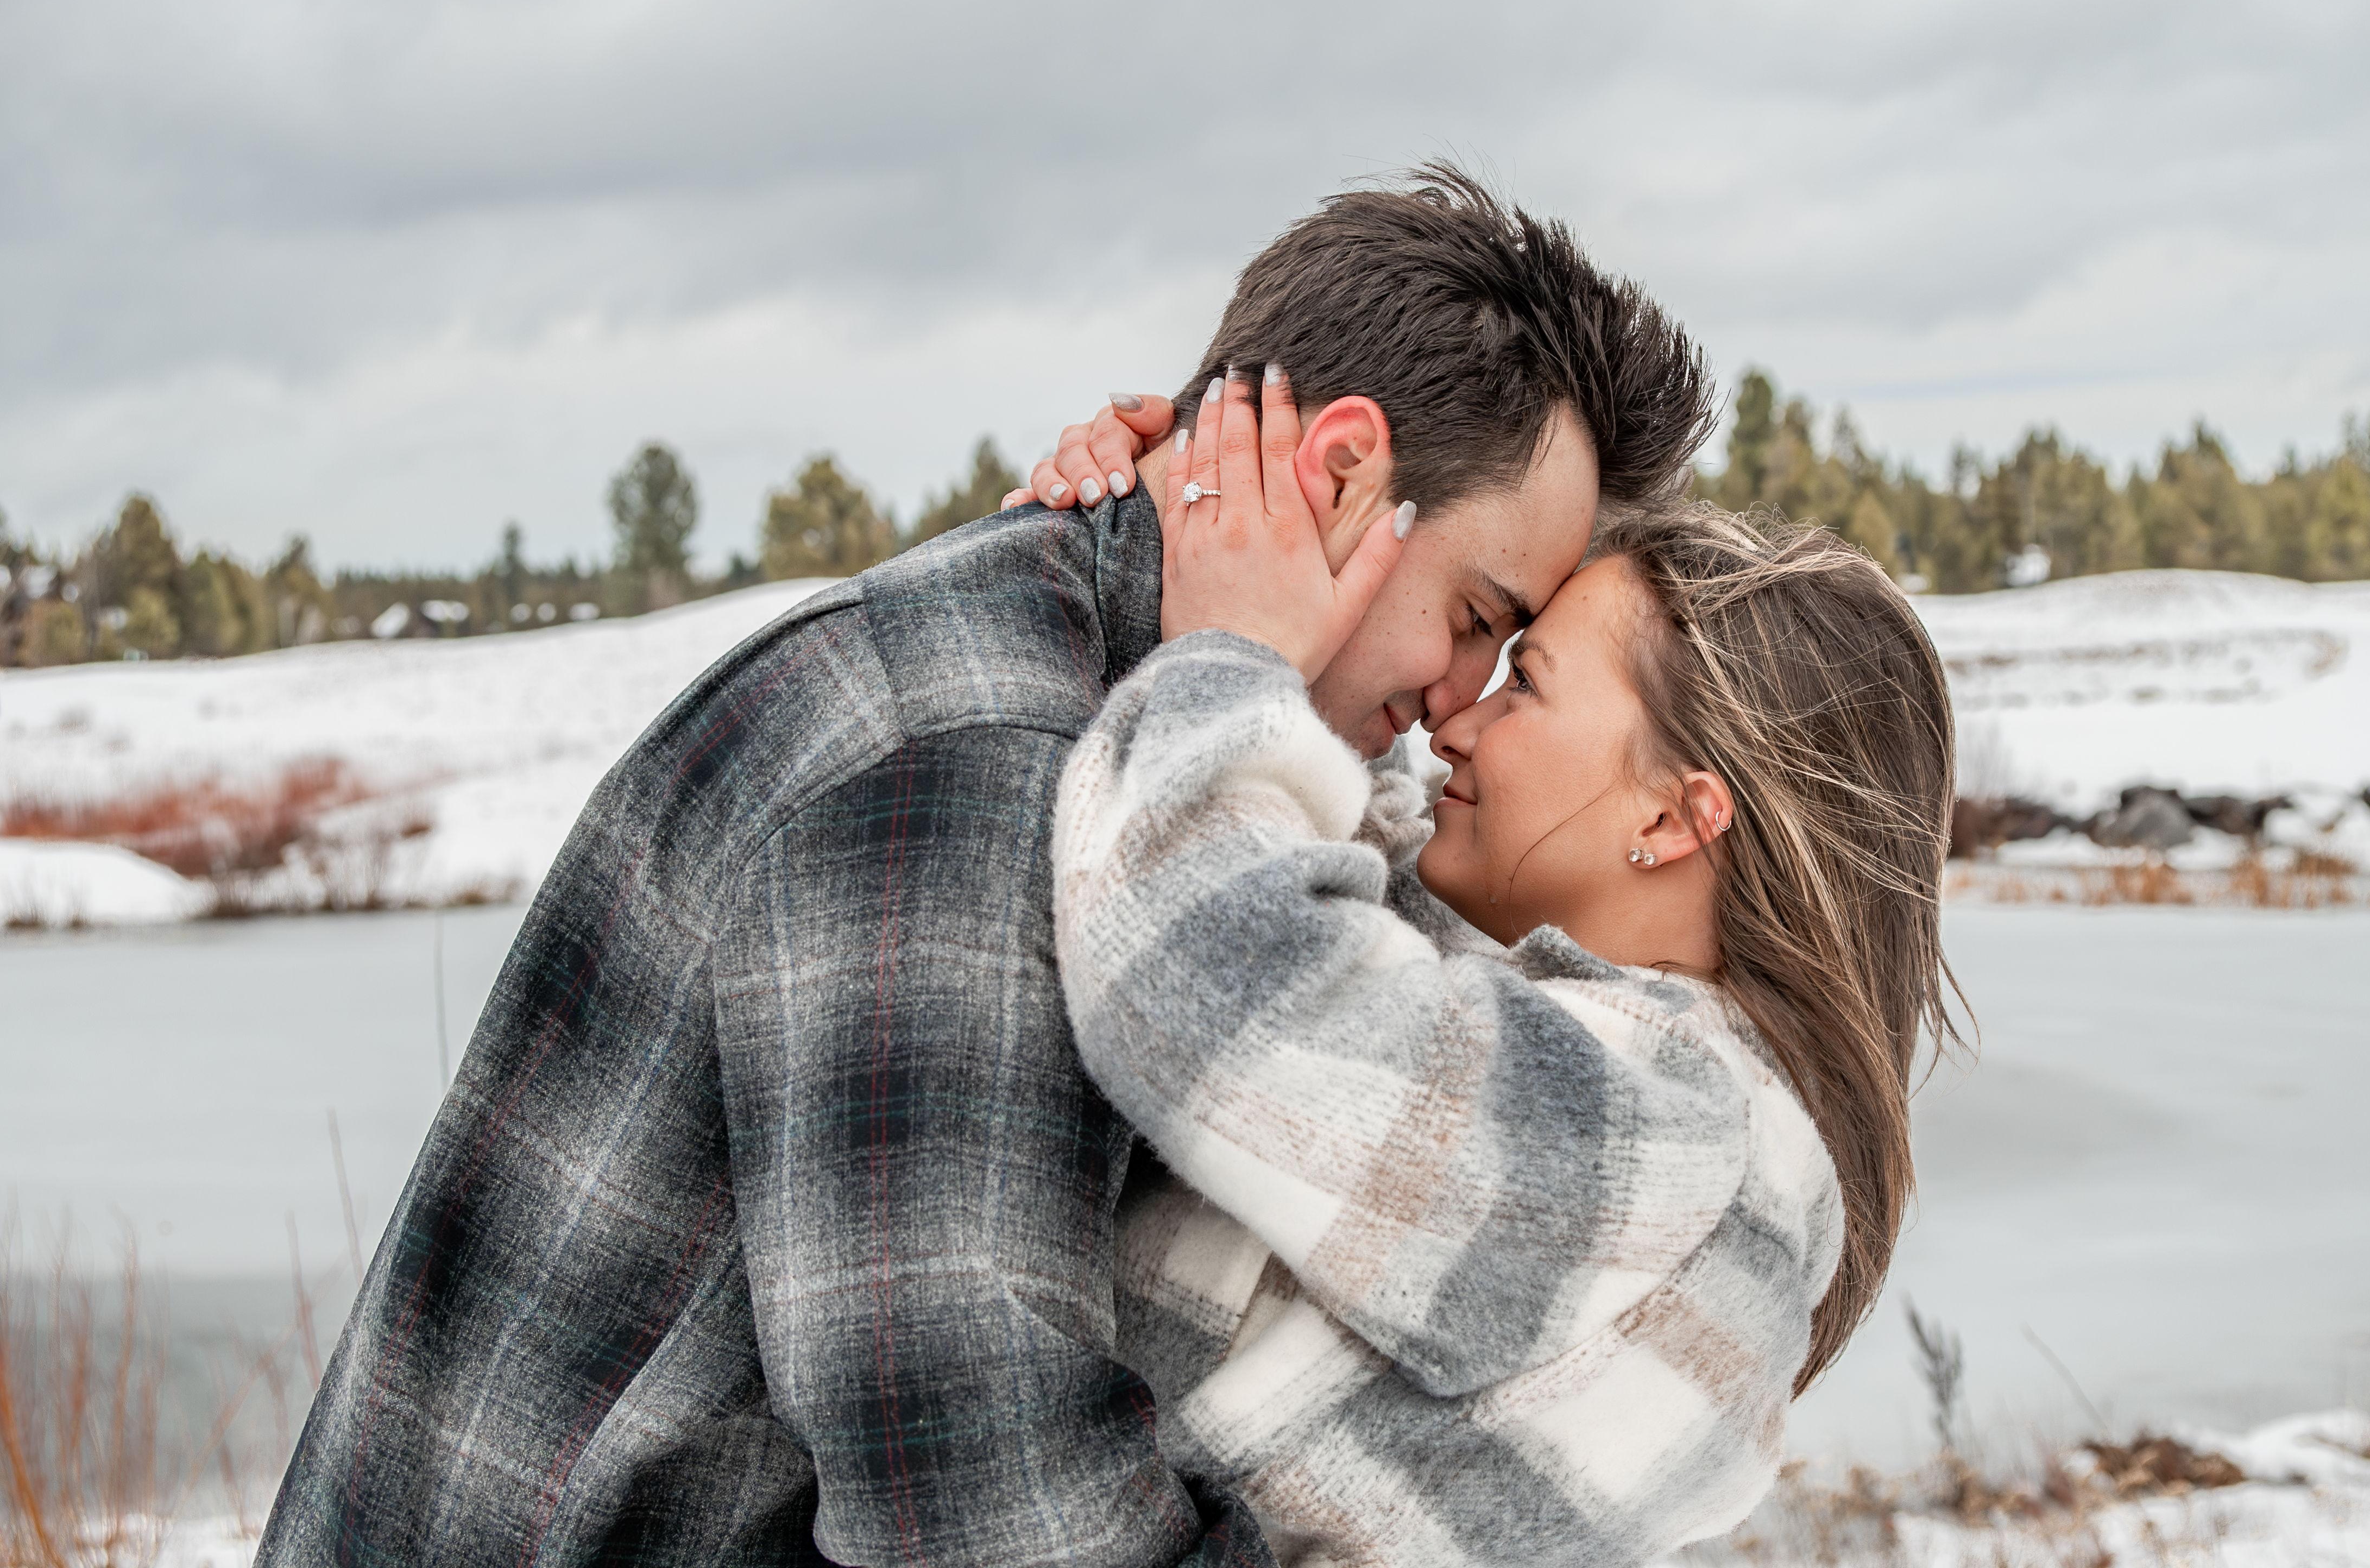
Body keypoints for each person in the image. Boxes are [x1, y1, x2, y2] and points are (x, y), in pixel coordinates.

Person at [256, 166, 1712, 1568]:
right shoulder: (969, 760)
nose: (1459, 701)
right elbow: (978, 1508)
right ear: (1338, 473)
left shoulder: (1123, 736)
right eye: (1474, 617)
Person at [1031, 373, 1961, 1562]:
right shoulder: (1637, 1084)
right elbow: (1362, 936)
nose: (1452, 723)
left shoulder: (1669, 1136)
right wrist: (1190, 515)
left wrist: (1232, 646)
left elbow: (1195, 974)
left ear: (1675, 818)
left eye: (1524, 681)